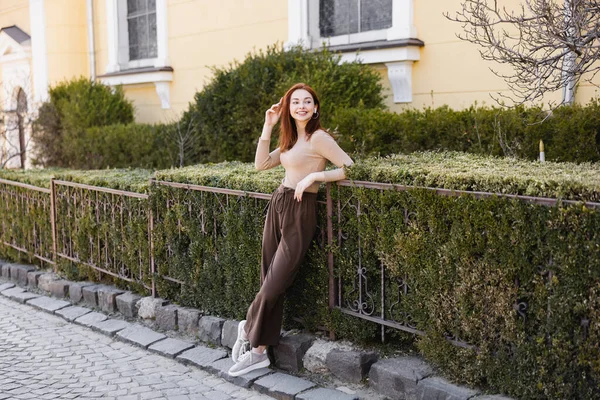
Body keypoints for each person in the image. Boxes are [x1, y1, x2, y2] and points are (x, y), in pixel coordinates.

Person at [228, 83, 354, 377]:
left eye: (307, 101)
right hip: (280, 202)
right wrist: (267, 125)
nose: (301, 106)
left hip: (301, 208)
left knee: (276, 280)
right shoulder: (289, 139)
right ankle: (259, 352)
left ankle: (248, 327)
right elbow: (261, 165)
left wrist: (315, 176)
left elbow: (350, 166)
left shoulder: (319, 138)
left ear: (315, 108)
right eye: (295, 102)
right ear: (288, 108)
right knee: (268, 276)